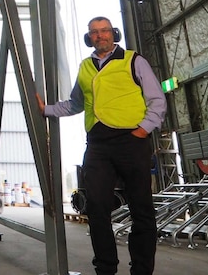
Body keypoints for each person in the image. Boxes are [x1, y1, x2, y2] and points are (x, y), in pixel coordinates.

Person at [36, 16, 166, 275]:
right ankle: (105, 268)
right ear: (89, 38)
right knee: (95, 206)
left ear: (113, 33)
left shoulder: (133, 60)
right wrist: (46, 109)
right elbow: (75, 103)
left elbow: (157, 100)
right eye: (94, 32)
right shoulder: (85, 67)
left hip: (131, 141)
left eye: (104, 30)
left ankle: (141, 270)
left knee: (141, 207)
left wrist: (142, 130)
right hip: (97, 145)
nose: (100, 35)